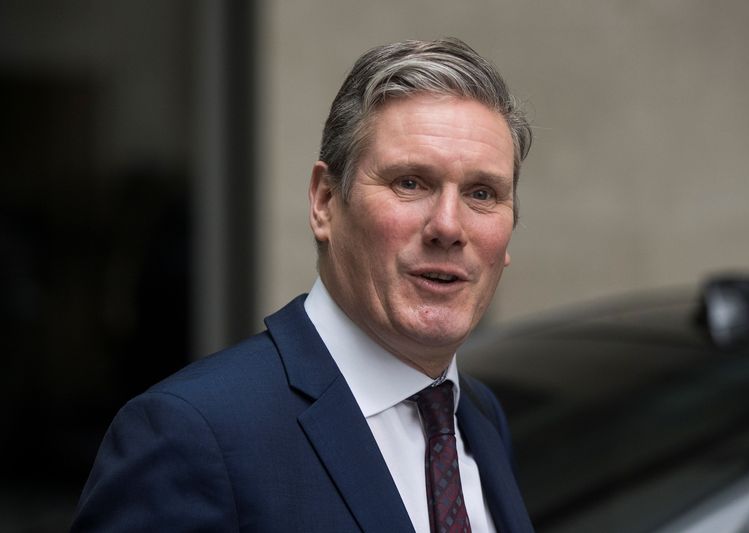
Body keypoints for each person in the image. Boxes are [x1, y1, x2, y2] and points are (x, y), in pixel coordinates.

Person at [71, 37, 534, 533]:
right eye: (410, 183)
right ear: (324, 203)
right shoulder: (192, 434)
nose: (448, 225)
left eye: (482, 193)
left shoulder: (478, 418)